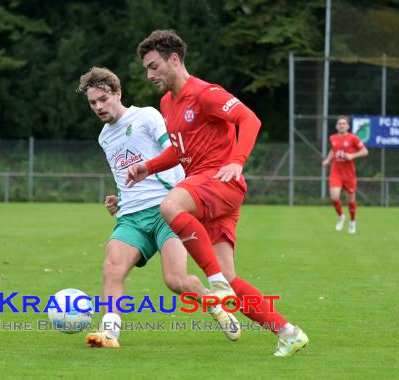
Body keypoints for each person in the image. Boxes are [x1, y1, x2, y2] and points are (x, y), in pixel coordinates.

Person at [127, 29, 308, 357]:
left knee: (171, 206)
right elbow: (182, 151)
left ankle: (215, 281)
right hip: (205, 187)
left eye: (153, 66)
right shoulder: (167, 102)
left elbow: (249, 119)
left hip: (220, 182)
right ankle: (289, 333)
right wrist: (148, 167)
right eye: (146, 69)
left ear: (174, 59)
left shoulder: (205, 93)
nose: (149, 74)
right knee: (230, 278)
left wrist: (237, 161)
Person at [77, 67, 240, 348]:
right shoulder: (104, 137)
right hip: (131, 218)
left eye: (103, 99)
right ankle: (109, 333)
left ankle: (214, 305)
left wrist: (185, 194)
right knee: (111, 269)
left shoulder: (147, 116)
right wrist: (120, 199)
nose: (99, 107)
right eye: (93, 103)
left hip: (166, 210)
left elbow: (177, 154)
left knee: (175, 281)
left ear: (118, 93)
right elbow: (125, 174)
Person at [322, 116, 369, 233]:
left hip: (349, 174)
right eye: (339, 123)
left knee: (351, 200)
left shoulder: (353, 138)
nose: (341, 125)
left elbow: (365, 151)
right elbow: (333, 150)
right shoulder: (332, 138)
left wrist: (352, 156)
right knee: (334, 197)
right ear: (337, 126)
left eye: (344, 123)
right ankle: (341, 216)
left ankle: (353, 222)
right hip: (336, 171)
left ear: (348, 126)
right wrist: (328, 160)